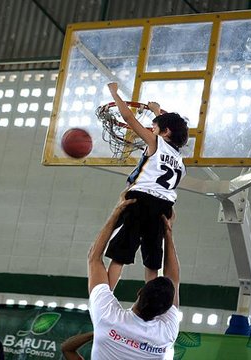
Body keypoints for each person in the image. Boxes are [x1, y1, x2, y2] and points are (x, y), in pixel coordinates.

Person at [105, 82, 189, 290]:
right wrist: (157, 112)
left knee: (120, 255)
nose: (152, 129)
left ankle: (105, 295)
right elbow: (167, 128)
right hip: (163, 208)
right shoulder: (180, 160)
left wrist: (114, 93)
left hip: (141, 201)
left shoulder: (155, 142)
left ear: (165, 132)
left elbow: (129, 118)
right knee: (153, 261)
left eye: (155, 127)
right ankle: (150, 299)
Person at [87, 189, 181, 359]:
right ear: (167, 310)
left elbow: (94, 257)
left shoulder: (108, 318)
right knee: (147, 266)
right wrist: (166, 233)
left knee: (118, 263)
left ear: (140, 291)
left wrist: (118, 211)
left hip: (139, 216)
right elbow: (171, 278)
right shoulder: (166, 334)